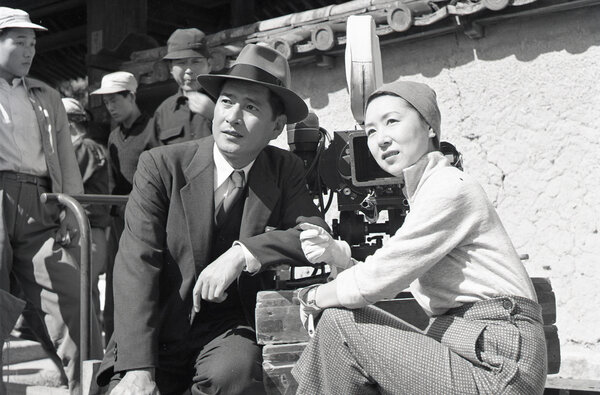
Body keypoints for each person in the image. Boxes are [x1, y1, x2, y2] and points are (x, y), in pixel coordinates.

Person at [96, 43, 328, 395]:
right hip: (155, 326)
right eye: (226, 101)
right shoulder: (161, 166)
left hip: (227, 327)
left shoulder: (284, 169)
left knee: (235, 376)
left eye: (250, 107)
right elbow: (136, 264)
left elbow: (315, 235)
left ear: (277, 126)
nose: (232, 117)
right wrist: (138, 368)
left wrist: (243, 253)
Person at [292, 81, 547, 394]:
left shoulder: (449, 188)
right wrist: (338, 255)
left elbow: (382, 278)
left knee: (337, 324)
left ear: (429, 127)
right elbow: (393, 267)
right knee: (336, 332)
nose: (380, 139)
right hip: (472, 349)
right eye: (370, 130)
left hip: (498, 365)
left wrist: (312, 297)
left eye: (392, 122)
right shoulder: (427, 192)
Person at [0, 7, 103, 394]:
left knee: (69, 291)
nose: (29, 51)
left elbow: (64, 154)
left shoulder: (46, 95)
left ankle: (87, 386)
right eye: (19, 42)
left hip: (43, 198)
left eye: (33, 44)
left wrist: (71, 208)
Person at [90, 71, 152, 341]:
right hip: (119, 220)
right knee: (115, 285)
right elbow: (112, 183)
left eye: (115, 99)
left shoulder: (153, 128)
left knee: (143, 282)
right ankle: (111, 347)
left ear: (132, 96)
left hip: (148, 218)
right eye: (106, 102)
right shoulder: (114, 136)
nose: (110, 107)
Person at [62, 97, 111, 331]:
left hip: (86, 230)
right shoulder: (88, 146)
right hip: (86, 230)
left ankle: (87, 359)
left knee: (80, 293)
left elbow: (68, 182)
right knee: (84, 293)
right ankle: (88, 359)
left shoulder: (84, 147)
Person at [144, 28, 214, 146]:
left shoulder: (228, 102)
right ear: (171, 68)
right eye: (181, 63)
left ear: (210, 64)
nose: (188, 70)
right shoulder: (163, 112)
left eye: (196, 61)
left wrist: (215, 115)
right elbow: (155, 158)